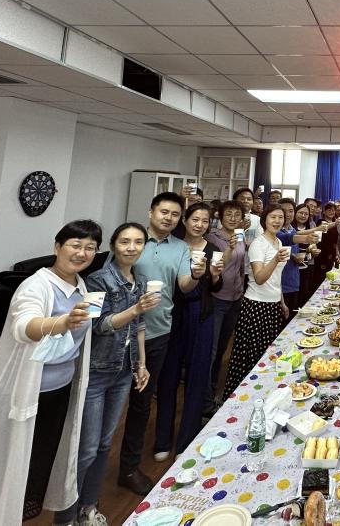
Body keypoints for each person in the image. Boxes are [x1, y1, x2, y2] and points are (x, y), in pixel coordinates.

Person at [0, 220, 99, 525]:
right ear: (57, 247)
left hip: (60, 389)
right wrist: (61, 323)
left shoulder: (81, 286)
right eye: (75, 245)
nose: (82, 253)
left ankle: (22, 510)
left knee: (38, 461)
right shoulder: (35, 286)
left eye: (90, 247)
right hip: (28, 391)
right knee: (9, 465)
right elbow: (24, 326)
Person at [55, 223, 160, 526]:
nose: (131, 248)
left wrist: (141, 364)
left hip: (123, 371)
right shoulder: (97, 279)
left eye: (138, 242)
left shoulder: (140, 280)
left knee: (104, 445)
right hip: (96, 372)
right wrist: (135, 309)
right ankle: (64, 517)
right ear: (113, 246)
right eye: (125, 242)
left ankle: (88, 507)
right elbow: (97, 326)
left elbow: (139, 326)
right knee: (85, 449)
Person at [117, 192, 195, 496]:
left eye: (175, 214)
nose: (169, 218)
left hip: (158, 332)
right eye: (164, 212)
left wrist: (198, 275)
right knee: (108, 404)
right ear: (151, 212)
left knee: (141, 403)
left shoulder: (181, 248)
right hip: (120, 335)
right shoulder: (134, 240)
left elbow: (185, 285)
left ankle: (128, 468)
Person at [154, 203, 225, 459]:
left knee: (198, 375)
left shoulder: (213, 249)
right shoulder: (173, 246)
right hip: (172, 314)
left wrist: (215, 276)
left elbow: (215, 288)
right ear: (184, 220)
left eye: (205, 221)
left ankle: (186, 440)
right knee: (168, 376)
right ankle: (162, 440)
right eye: (195, 219)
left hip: (202, 313)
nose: (200, 225)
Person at [223, 205, 292, 399]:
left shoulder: (278, 242)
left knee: (267, 356)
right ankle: (239, 399)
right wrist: (275, 259)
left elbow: (276, 278)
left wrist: (282, 302)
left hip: (272, 305)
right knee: (250, 357)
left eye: (280, 217)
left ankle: (262, 396)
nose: (277, 221)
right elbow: (260, 277)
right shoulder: (258, 244)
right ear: (264, 220)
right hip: (256, 306)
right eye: (273, 217)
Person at [203, 200, 249, 418]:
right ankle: (205, 403)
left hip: (235, 298)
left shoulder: (240, 236)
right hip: (217, 299)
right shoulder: (213, 238)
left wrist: (241, 288)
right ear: (220, 216)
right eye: (228, 214)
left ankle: (213, 391)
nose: (233, 218)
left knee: (222, 349)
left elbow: (240, 266)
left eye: (237, 214)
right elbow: (216, 267)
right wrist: (230, 247)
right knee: (211, 351)